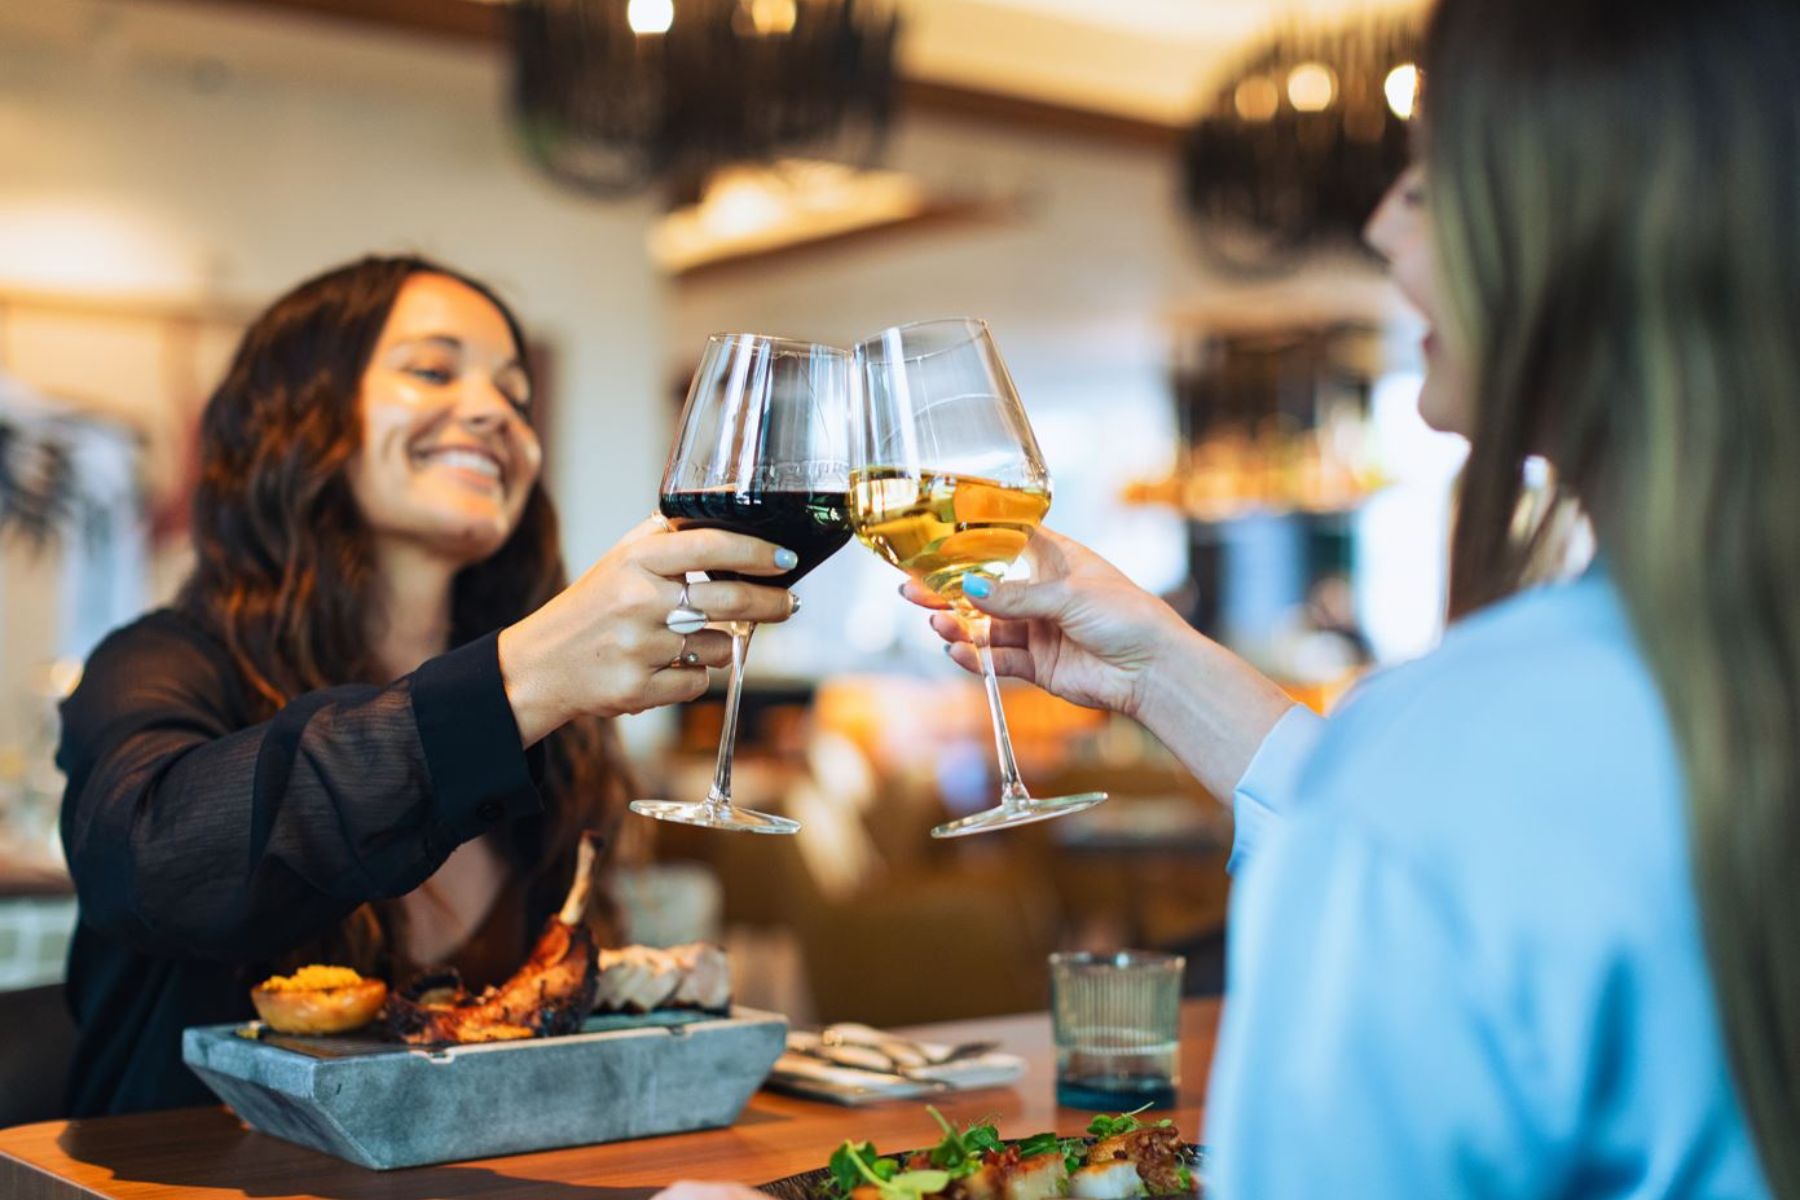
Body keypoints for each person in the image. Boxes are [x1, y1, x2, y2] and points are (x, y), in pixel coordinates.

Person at [660, 0, 1793, 1194]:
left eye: (1427, 180)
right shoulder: (1618, 714)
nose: (1381, 228)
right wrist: (1159, 666)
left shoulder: (1455, 762)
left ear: (1582, 218)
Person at [56, 256, 802, 1116]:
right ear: (298, 419)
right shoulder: (162, 662)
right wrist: (513, 682)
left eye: (516, 396)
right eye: (431, 370)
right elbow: (158, 865)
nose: (494, 414)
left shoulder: (556, 730)